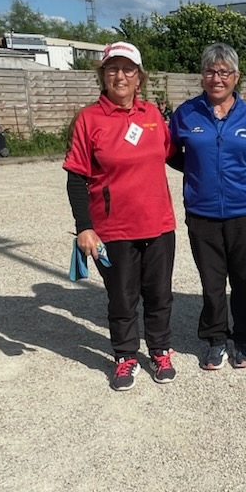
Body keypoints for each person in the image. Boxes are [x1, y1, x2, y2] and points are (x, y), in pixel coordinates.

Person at [63, 41, 177, 391]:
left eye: (128, 69)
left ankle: (159, 349)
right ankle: (126, 355)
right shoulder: (89, 119)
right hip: (113, 229)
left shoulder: (153, 116)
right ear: (103, 75)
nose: (120, 76)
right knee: (122, 297)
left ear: (139, 77)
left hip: (159, 223)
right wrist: (84, 228)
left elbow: (174, 155)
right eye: (112, 69)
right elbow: (76, 177)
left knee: (159, 294)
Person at [169, 43, 246, 371]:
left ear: (236, 77)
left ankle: (242, 338)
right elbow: (172, 154)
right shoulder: (185, 114)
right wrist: (199, 173)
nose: (216, 78)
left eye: (224, 72)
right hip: (202, 211)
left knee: (244, 279)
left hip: (242, 210)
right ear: (202, 76)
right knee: (211, 281)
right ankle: (214, 339)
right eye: (210, 71)